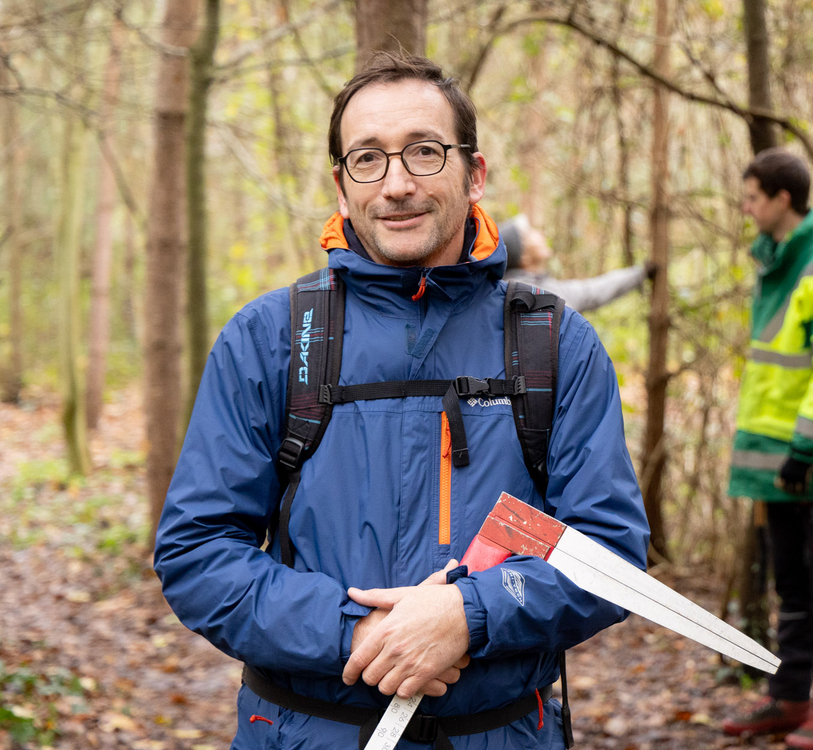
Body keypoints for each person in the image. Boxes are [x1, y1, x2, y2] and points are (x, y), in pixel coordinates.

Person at [153, 52, 649, 750]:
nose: (396, 185)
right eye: (368, 159)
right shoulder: (268, 339)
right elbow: (198, 552)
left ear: (473, 172)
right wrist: (358, 631)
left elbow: (611, 552)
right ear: (340, 184)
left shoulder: (553, 345)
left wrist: (469, 616)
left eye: (424, 152)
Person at [721, 149, 813, 750]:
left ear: (784, 198)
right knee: (792, 591)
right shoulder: (779, 263)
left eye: (753, 195)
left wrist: (805, 448)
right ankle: (789, 698)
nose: (745, 206)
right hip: (775, 468)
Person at [498, 214, 652, 312]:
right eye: (530, 234)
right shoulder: (512, 297)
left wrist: (640, 272)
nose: (541, 233)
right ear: (523, 256)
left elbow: (593, 291)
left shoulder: (551, 288)